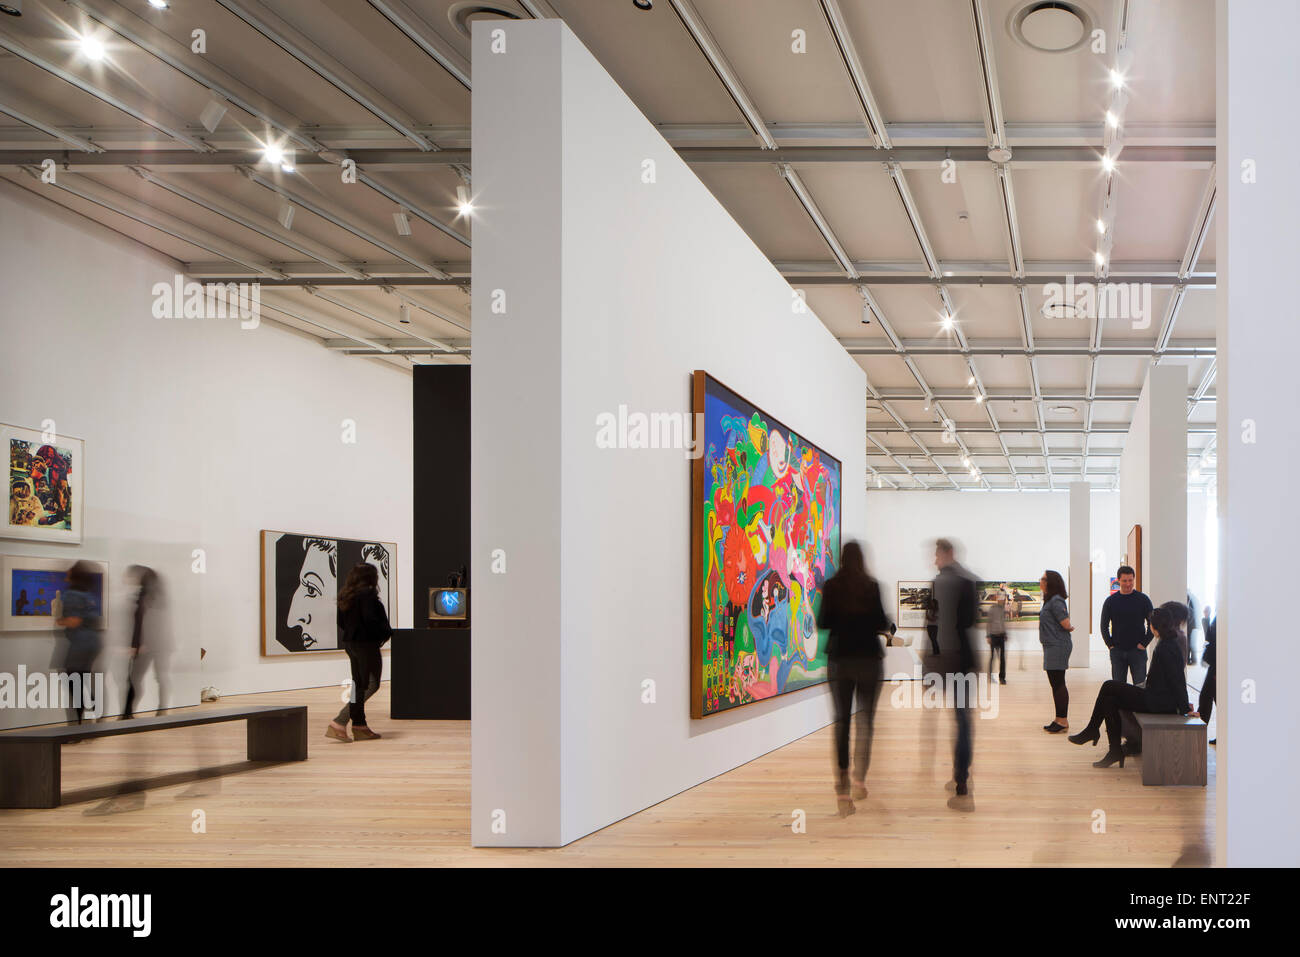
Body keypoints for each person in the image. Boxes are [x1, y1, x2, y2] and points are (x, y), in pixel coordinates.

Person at [816, 541, 890, 817]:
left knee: (842, 723)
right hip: (870, 660)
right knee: (866, 722)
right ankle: (860, 779)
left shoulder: (832, 586)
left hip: (840, 660)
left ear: (841, 558)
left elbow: (823, 622)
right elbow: (882, 623)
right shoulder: (872, 586)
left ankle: (843, 789)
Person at [1069, 604, 1192, 767]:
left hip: (1158, 702)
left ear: (1154, 627)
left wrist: (1185, 708)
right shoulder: (1168, 643)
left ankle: (1093, 729)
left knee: (1109, 686)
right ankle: (1114, 750)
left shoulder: (1167, 647)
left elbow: (1178, 680)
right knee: (1110, 700)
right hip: (1156, 698)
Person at [933, 538, 978, 811]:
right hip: (965, 659)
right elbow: (970, 620)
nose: (934, 560)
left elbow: (934, 626)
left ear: (946, 553)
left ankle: (960, 777)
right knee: (963, 720)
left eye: (936, 555)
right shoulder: (969, 581)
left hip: (949, 658)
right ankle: (961, 775)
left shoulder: (940, 583)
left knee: (959, 719)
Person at [326, 562, 392, 742]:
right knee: (370, 684)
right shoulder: (368, 596)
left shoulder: (346, 596)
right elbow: (371, 620)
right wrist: (384, 633)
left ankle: (360, 726)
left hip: (350, 643)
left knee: (358, 684)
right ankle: (339, 721)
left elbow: (341, 622)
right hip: (366, 644)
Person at [56, 561, 102, 728]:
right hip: (93, 643)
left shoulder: (71, 595)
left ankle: (77, 726)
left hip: (80, 644)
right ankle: (93, 715)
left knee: (74, 682)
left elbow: (74, 621)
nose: (67, 570)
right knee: (82, 680)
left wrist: (59, 620)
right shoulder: (89, 596)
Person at [121, 565, 170, 720]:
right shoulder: (146, 597)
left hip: (151, 645)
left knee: (149, 677)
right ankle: (130, 712)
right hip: (150, 645)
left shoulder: (151, 598)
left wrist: (141, 644)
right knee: (140, 677)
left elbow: (150, 623)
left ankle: (158, 710)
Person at [1099, 565, 1153, 684]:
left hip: (1138, 651)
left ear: (1134, 579)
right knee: (1118, 689)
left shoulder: (1143, 600)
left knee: (1140, 687)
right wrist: (1110, 645)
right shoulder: (1110, 601)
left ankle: (1138, 704)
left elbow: (1153, 623)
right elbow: (1103, 626)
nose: (1128, 584)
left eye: (1130, 580)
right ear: (1118, 580)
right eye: (1124, 581)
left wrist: (1144, 643)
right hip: (1117, 651)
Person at [1039, 570, 1074, 733]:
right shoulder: (1050, 600)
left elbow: (1065, 623)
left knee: (1058, 683)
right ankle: (1059, 719)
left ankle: (1062, 721)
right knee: (1056, 683)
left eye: (1043, 578)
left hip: (1057, 646)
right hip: (1052, 645)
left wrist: (1068, 626)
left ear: (1050, 582)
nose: (1040, 580)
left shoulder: (1056, 600)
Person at [1198, 613, 1217, 744]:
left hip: (1218, 665)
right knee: (1207, 698)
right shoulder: (1222, 612)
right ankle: (1198, 732)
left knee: (1207, 697)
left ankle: (1198, 733)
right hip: (1216, 664)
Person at [985, 593, 1008, 685]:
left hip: (1001, 636)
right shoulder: (992, 609)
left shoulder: (1003, 610)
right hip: (993, 636)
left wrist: (1005, 633)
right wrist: (988, 636)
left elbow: (1003, 622)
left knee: (1002, 658)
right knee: (992, 657)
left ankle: (1002, 678)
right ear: (999, 599)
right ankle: (989, 676)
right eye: (1003, 600)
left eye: (1004, 600)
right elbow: (988, 623)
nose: (1004, 601)